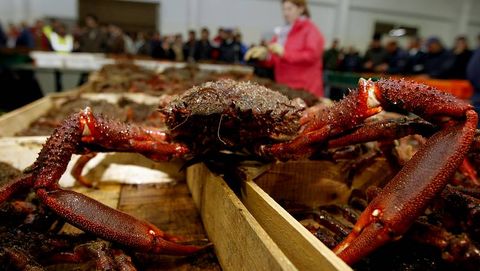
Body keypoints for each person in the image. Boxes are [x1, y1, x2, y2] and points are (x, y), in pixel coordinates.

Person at [245, 0, 325, 96]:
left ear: (301, 9)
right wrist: (265, 56)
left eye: (289, 9)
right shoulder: (283, 32)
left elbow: (312, 56)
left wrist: (285, 53)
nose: (285, 13)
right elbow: (274, 57)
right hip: (285, 88)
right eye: (284, 9)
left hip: (305, 90)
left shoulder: (311, 30)